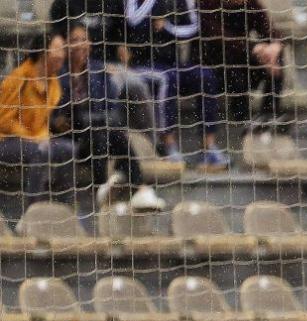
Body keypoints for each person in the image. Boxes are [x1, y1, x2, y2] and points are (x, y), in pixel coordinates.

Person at [54, 22, 166, 210]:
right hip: (73, 136)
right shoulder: (58, 74)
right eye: (74, 40)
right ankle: (134, 188)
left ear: (90, 43)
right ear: (65, 44)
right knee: (103, 136)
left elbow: (114, 110)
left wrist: (92, 119)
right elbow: (58, 115)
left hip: (101, 132)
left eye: (84, 39)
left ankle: (121, 189)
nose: (80, 44)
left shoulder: (100, 72)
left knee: (111, 135)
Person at [118, 0, 229, 169]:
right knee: (167, 79)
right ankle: (168, 146)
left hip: (171, 63)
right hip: (141, 65)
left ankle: (209, 148)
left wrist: (168, 27)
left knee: (205, 76)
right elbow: (133, 21)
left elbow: (194, 28)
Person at [46, 0, 156, 134]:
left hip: (111, 62)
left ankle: (152, 138)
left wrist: (122, 46)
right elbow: (57, 39)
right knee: (110, 85)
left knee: (137, 84)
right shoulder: (62, 4)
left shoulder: (112, 3)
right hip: (80, 64)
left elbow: (120, 31)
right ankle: (111, 131)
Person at [0, 29, 76, 207]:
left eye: (63, 50)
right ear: (43, 52)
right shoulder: (19, 77)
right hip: (6, 140)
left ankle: (64, 206)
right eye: (58, 49)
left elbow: (43, 124)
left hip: (35, 140)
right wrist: (32, 138)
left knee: (68, 149)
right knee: (40, 151)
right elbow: (3, 120)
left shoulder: (54, 83)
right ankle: (33, 209)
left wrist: (41, 137)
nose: (62, 55)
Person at [197, 0, 287, 130]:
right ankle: (241, 119)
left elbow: (268, 28)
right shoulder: (207, 4)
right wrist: (254, 49)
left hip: (243, 57)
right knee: (235, 69)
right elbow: (218, 38)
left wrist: (275, 45)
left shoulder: (251, 4)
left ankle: (268, 115)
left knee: (276, 57)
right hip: (215, 63)